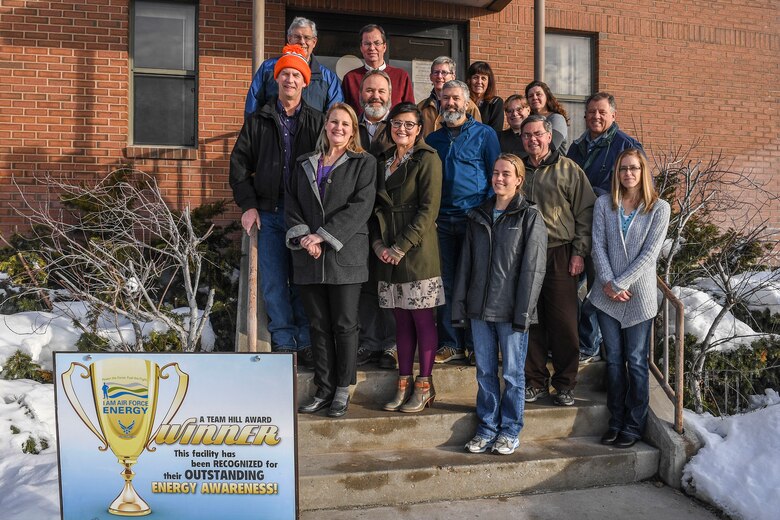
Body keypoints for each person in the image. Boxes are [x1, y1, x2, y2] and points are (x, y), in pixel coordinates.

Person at [230, 44, 324, 366]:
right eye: (285, 73)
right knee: (273, 282)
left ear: (305, 82)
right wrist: (249, 205)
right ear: (276, 79)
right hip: (268, 214)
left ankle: (307, 341)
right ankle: (285, 342)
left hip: (304, 215)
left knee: (302, 282)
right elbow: (239, 166)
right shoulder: (258, 120)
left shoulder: (318, 123)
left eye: (296, 74)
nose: (290, 79)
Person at [286, 103, 376, 418]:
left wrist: (323, 236)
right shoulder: (304, 163)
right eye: (334, 122)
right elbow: (292, 202)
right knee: (318, 325)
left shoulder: (364, 163)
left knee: (344, 324)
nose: (339, 127)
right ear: (326, 126)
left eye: (345, 124)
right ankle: (323, 389)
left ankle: (341, 389)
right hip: (309, 258)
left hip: (344, 255)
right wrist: (303, 237)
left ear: (353, 131)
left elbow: (361, 207)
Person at [454, 154, 547, 455]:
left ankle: (510, 430)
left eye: (507, 174)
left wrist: (524, 312)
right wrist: (461, 305)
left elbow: (533, 269)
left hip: (511, 310)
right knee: (484, 372)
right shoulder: (477, 214)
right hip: (480, 308)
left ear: (519, 179)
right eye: (496, 173)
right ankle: (487, 427)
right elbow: (465, 264)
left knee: (512, 374)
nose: (500, 179)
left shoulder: (529, 216)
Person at [590, 148, 670, 448]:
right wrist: (609, 283)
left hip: (638, 295)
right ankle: (616, 420)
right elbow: (597, 245)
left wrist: (621, 282)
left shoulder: (659, 208)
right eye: (623, 169)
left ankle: (634, 426)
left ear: (643, 171)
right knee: (613, 361)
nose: (628, 174)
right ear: (617, 173)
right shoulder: (604, 204)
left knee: (636, 361)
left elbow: (650, 254)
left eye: (634, 168)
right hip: (606, 296)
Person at [371, 102, 444, 412]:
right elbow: (373, 208)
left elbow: (429, 209)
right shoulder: (382, 161)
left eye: (409, 124)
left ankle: (424, 384)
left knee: (422, 318)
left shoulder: (428, 159)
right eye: (397, 123)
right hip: (386, 250)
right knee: (400, 319)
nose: (402, 129)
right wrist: (378, 245)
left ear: (419, 129)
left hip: (416, 250)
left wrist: (400, 247)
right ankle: (403, 382)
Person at [520, 115, 596, 407]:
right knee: (530, 320)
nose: (532, 140)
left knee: (564, 322)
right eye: (527, 135)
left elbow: (585, 213)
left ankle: (565, 384)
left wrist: (579, 252)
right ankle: (535, 381)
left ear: (549, 136)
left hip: (559, 252)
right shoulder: (518, 169)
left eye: (537, 134)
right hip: (525, 253)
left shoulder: (568, 170)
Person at [567, 92, 645, 365]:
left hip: (610, 233)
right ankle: (572, 341)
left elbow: (637, 191)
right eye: (591, 112)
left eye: (601, 112)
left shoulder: (627, 146)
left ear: (614, 115)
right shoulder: (577, 147)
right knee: (568, 289)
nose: (595, 117)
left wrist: (599, 195)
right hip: (577, 228)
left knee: (597, 291)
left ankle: (589, 344)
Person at [426, 80, 501, 365]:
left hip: (475, 218)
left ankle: (474, 343)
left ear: (467, 102)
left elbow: (496, 177)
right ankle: (450, 343)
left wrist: (487, 214)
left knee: (473, 281)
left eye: (456, 98)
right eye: (445, 99)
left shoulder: (485, 135)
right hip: (441, 221)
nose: (450, 103)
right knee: (445, 281)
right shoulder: (432, 140)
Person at [355, 70, 397, 368]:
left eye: (381, 91)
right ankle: (369, 343)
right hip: (356, 218)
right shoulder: (349, 126)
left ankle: (390, 346)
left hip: (388, 217)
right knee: (365, 284)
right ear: (360, 95)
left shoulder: (399, 128)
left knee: (389, 282)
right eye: (370, 91)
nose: (375, 96)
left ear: (390, 96)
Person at [244, 17, 342, 117]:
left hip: (312, 132)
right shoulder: (268, 69)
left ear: (314, 42)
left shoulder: (328, 79)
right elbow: (252, 107)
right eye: (297, 37)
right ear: (289, 39)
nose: (302, 42)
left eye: (307, 37)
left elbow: (335, 115)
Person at [342, 24, 415, 113]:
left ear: (384, 47)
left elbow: (410, 112)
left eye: (377, 43)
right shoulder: (350, 78)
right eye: (367, 44)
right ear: (361, 48)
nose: (372, 48)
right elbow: (345, 112)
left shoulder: (401, 76)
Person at [417, 56, 481, 137]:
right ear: (430, 77)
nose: (439, 76)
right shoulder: (421, 107)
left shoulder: (469, 106)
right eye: (436, 72)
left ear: (453, 76)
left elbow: (477, 136)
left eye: (444, 72)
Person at [525, 81, 570, 154]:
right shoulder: (528, 121)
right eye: (530, 96)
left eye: (538, 94)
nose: (535, 98)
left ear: (547, 97)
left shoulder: (557, 119)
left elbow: (552, 146)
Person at [467, 61, 504, 134]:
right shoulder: (463, 101)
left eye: (483, 78)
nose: (479, 82)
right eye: (475, 77)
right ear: (469, 80)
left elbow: (495, 131)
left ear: (489, 82)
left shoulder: (496, 102)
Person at [498, 94, 531, 158]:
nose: (514, 114)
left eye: (519, 109)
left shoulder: (538, 137)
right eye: (510, 111)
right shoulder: (498, 138)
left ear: (528, 110)